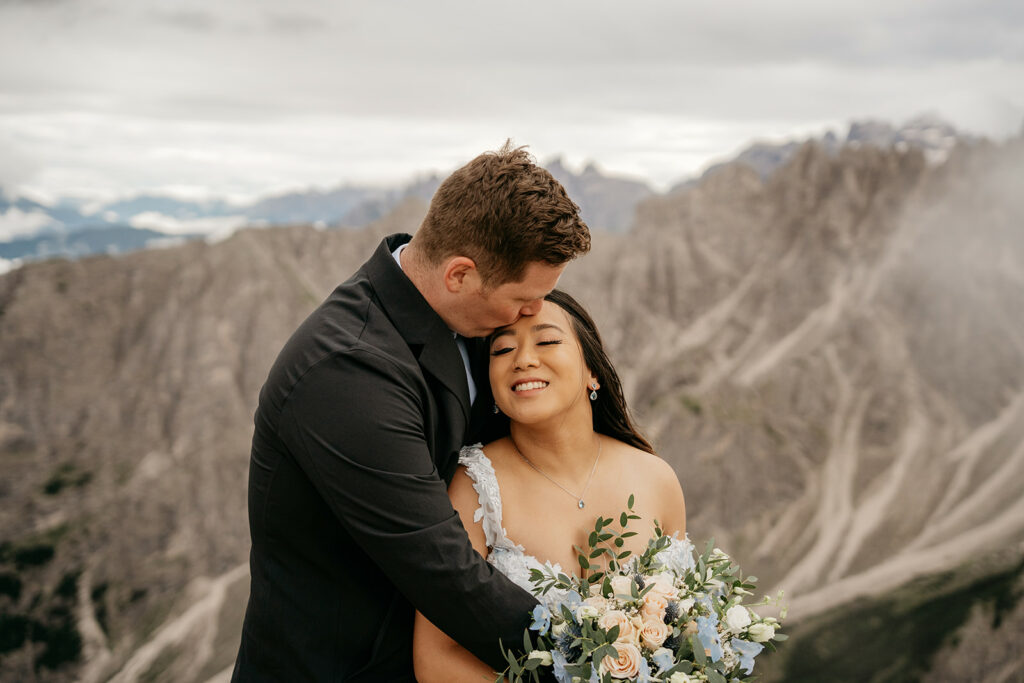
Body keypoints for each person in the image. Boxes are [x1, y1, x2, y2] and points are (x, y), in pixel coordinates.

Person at [231, 143, 592, 681]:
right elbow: (444, 572)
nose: (534, 312)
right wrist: (598, 658)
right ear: (459, 275)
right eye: (524, 297)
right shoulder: (345, 370)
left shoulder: (470, 318)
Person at [412, 289, 688, 682]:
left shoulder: (657, 478)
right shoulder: (472, 486)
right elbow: (437, 658)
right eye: (503, 350)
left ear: (592, 370)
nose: (523, 359)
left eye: (547, 341)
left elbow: (688, 632)